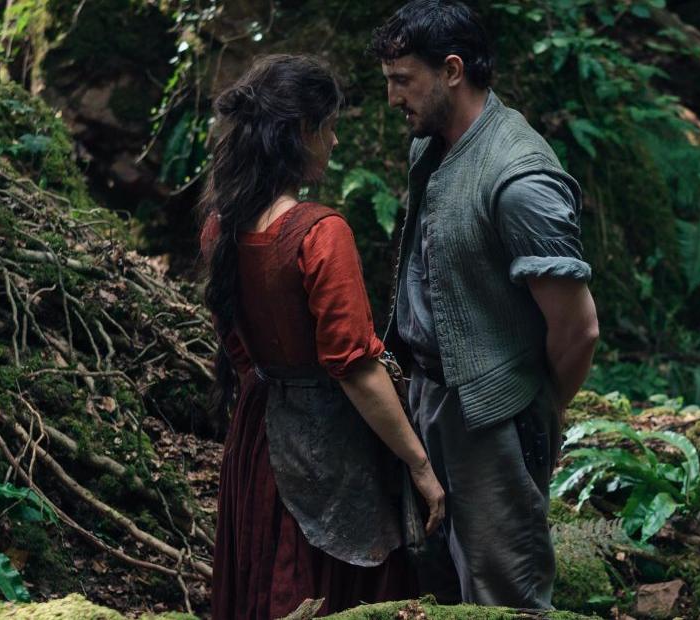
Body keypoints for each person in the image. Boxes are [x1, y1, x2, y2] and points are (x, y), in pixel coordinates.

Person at [370, 1, 600, 609]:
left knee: (504, 594)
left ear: (452, 71)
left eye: (402, 80)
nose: (392, 98)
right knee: (438, 583)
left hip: (493, 419)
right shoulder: (432, 144)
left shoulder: (519, 180)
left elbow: (579, 329)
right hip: (428, 398)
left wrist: (533, 409)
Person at [199, 54, 445, 619]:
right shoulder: (320, 233)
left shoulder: (221, 223)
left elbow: (235, 341)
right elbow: (354, 366)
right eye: (328, 127)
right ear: (300, 132)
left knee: (265, 572)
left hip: (259, 435)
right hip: (330, 444)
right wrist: (419, 464)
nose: (334, 141)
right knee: (326, 588)